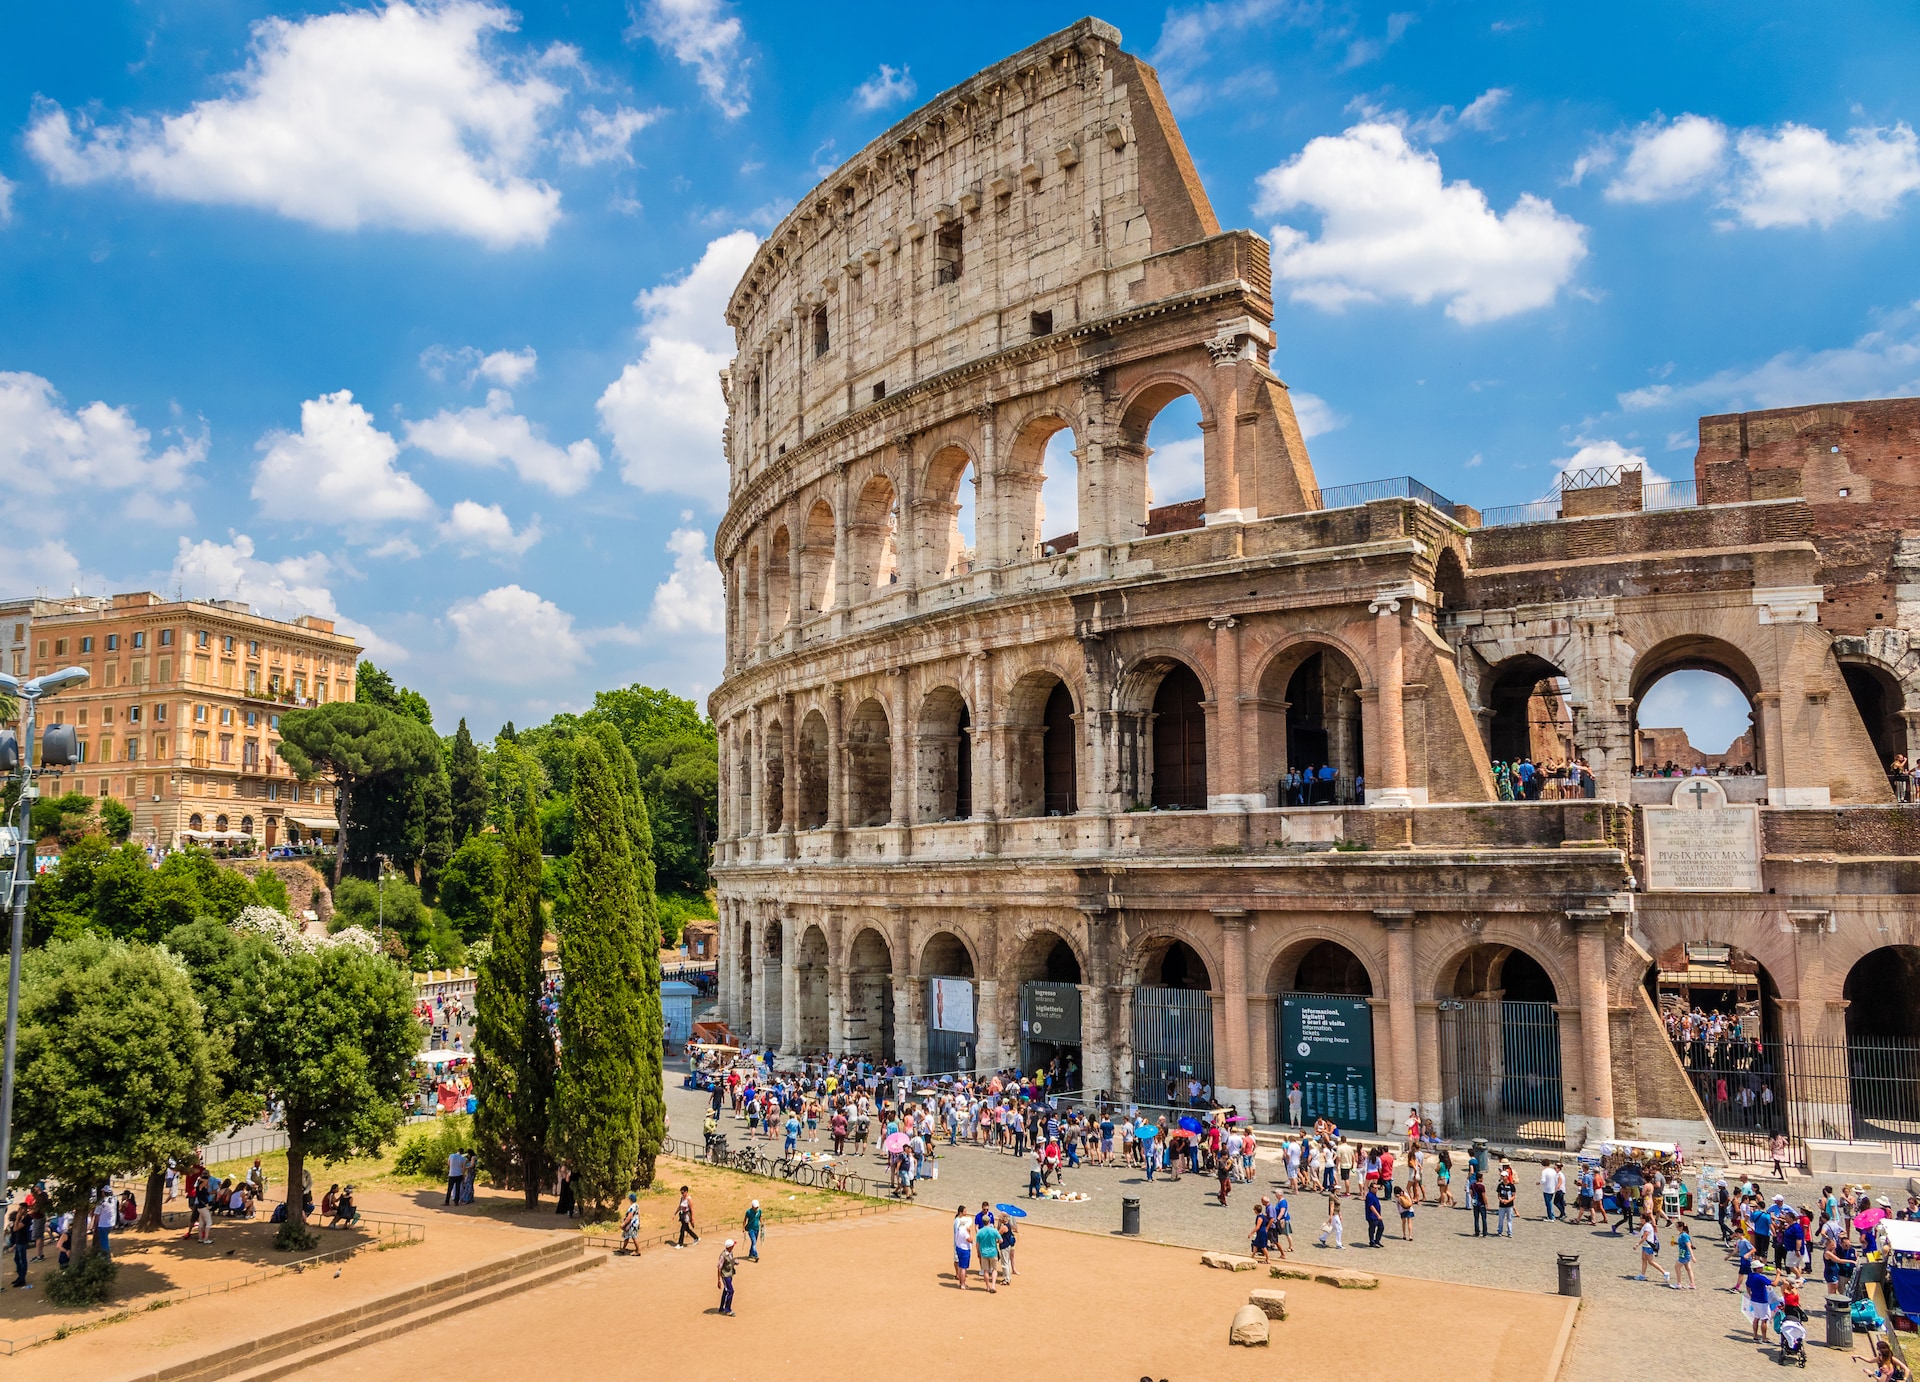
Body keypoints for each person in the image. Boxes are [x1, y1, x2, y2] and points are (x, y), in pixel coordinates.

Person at [1636, 1217, 1670, 1284]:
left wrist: (1637, 1244)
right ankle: (1642, 1275)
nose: (1640, 1220)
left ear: (1644, 1219)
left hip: (1648, 1246)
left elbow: (1645, 1237)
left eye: (1641, 1218)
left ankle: (1665, 1273)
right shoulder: (1645, 1225)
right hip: (1645, 1245)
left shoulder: (1647, 1226)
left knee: (1651, 1261)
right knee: (1643, 1259)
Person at [975, 1214, 1001, 1293]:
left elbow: (977, 1245)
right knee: (994, 1270)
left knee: (985, 1271)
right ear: (989, 1221)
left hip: (984, 1253)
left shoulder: (979, 1232)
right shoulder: (994, 1230)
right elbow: (1001, 1240)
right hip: (993, 1252)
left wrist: (978, 1252)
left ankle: (987, 1287)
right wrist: (995, 1242)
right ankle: (993, 1285)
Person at [952, 1204, 973, 1290]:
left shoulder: (959, 1230)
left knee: (960, 1266)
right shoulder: (964, 1231)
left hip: (958, 1247)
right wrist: (970, 1232)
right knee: (963, 1267)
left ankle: (960, 1281)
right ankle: (963, 1284)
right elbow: (970, 1240)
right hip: (964, 1249)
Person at [716, 1239, 738, 1316]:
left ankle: (721, 1308)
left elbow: (730, 1261)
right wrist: (719, 1280)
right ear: (730, 1246)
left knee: (726, 1291)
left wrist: (735, 1262)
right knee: (730, 1291)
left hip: (730, 1274)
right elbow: (719, 1268)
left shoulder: (730, 1253)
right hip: (725, 1276)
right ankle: (727, 1309)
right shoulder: (723, 1256)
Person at [1674, 1223, 1695, 1290]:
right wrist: (1676, 1243)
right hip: (1685, 1254)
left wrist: (1693, 1256)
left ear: (1681, 1227)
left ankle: (1678, 1283)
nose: (1676, 1228)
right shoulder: (1683, 1235)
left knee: (1677, 1267)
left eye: (1677, 1227)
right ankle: (1692, 1284)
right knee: (1688, 1269)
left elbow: (1689, 1246)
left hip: (1684, 1254)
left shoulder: (1684, 1235)